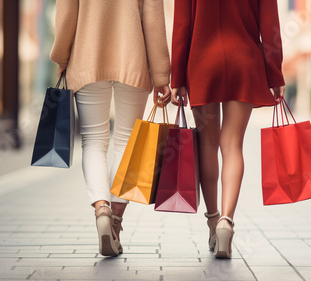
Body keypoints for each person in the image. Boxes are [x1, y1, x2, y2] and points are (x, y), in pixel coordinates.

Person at [50, 0, 171, 256]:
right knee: (128, 143)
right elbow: (152, 17)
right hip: (134, 58)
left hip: (86, 57)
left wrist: (61, 56)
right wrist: (161, 74)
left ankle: (101, 208)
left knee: (93, 141)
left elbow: (68, 13)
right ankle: (115, 221)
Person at [171, 0, 285, 258]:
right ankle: (226, 221)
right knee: (232, 146)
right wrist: (275, 73)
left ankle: (212, 222)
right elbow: (270, 26)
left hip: (202, 63)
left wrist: (177, 76)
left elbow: (182, 24)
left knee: (207, 145)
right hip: (244, 60)